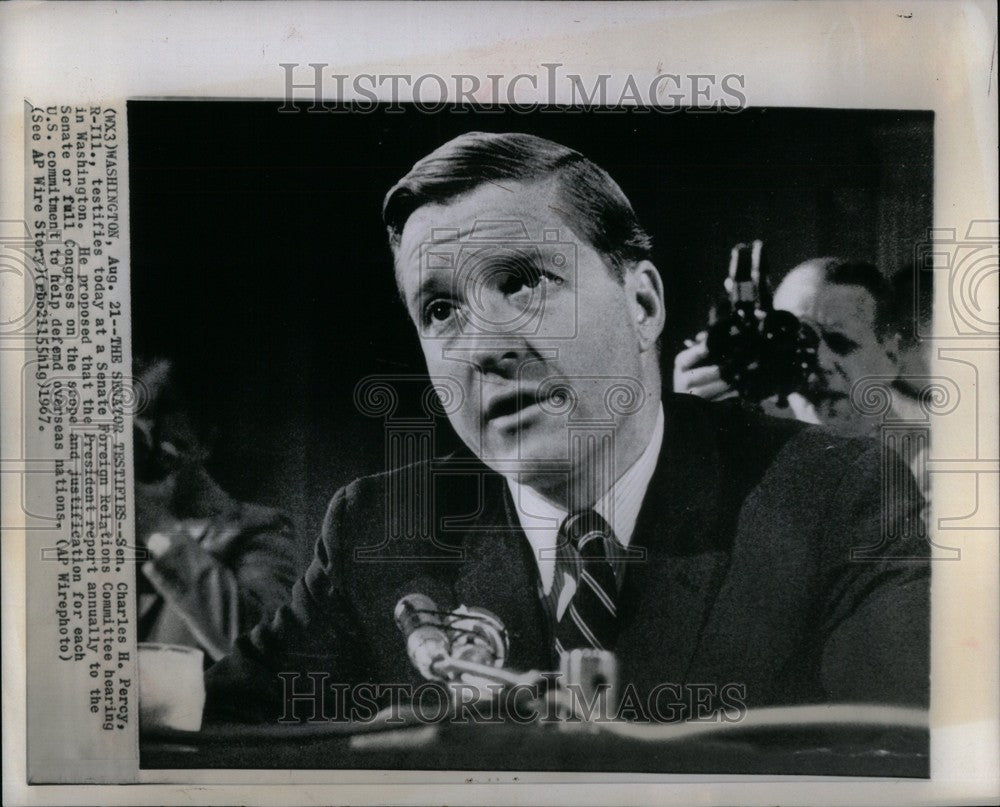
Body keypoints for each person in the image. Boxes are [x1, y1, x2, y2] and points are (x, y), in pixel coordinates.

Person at [204, 132, 929, 722]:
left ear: (641, 303)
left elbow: (903, 758)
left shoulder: (835, 497)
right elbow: (207, 735)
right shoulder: (380, 528)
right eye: (440, 311)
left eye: (522, 281)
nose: (484, 346)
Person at [134, 357, 303, 663]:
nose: (144, 432)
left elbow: (264, 653)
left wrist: (157, 527)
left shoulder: (260, 529)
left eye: (160, 410)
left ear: (205, 439)